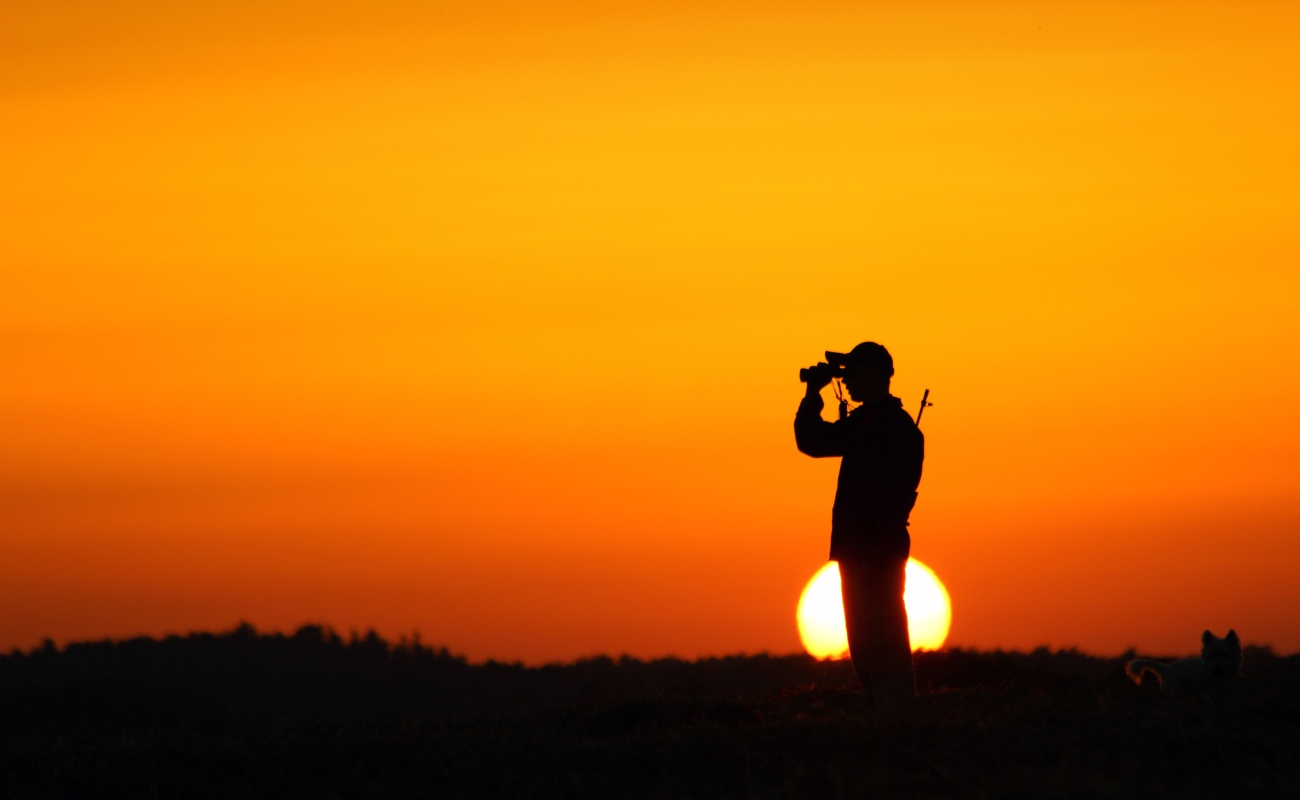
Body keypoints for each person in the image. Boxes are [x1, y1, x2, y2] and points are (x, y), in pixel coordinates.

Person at [794, 342, 924, 711]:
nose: (847, 381)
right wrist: (811, 394)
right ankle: (886, 715)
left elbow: (888, 499)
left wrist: (872, 551)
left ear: (875, 375)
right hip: (856, 552)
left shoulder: (893, 428)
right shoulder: (867, 422)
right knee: (863, 643)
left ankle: (897, 716)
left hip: (875, 553)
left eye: (853, 373)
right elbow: (812, 441)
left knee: (882, 637)